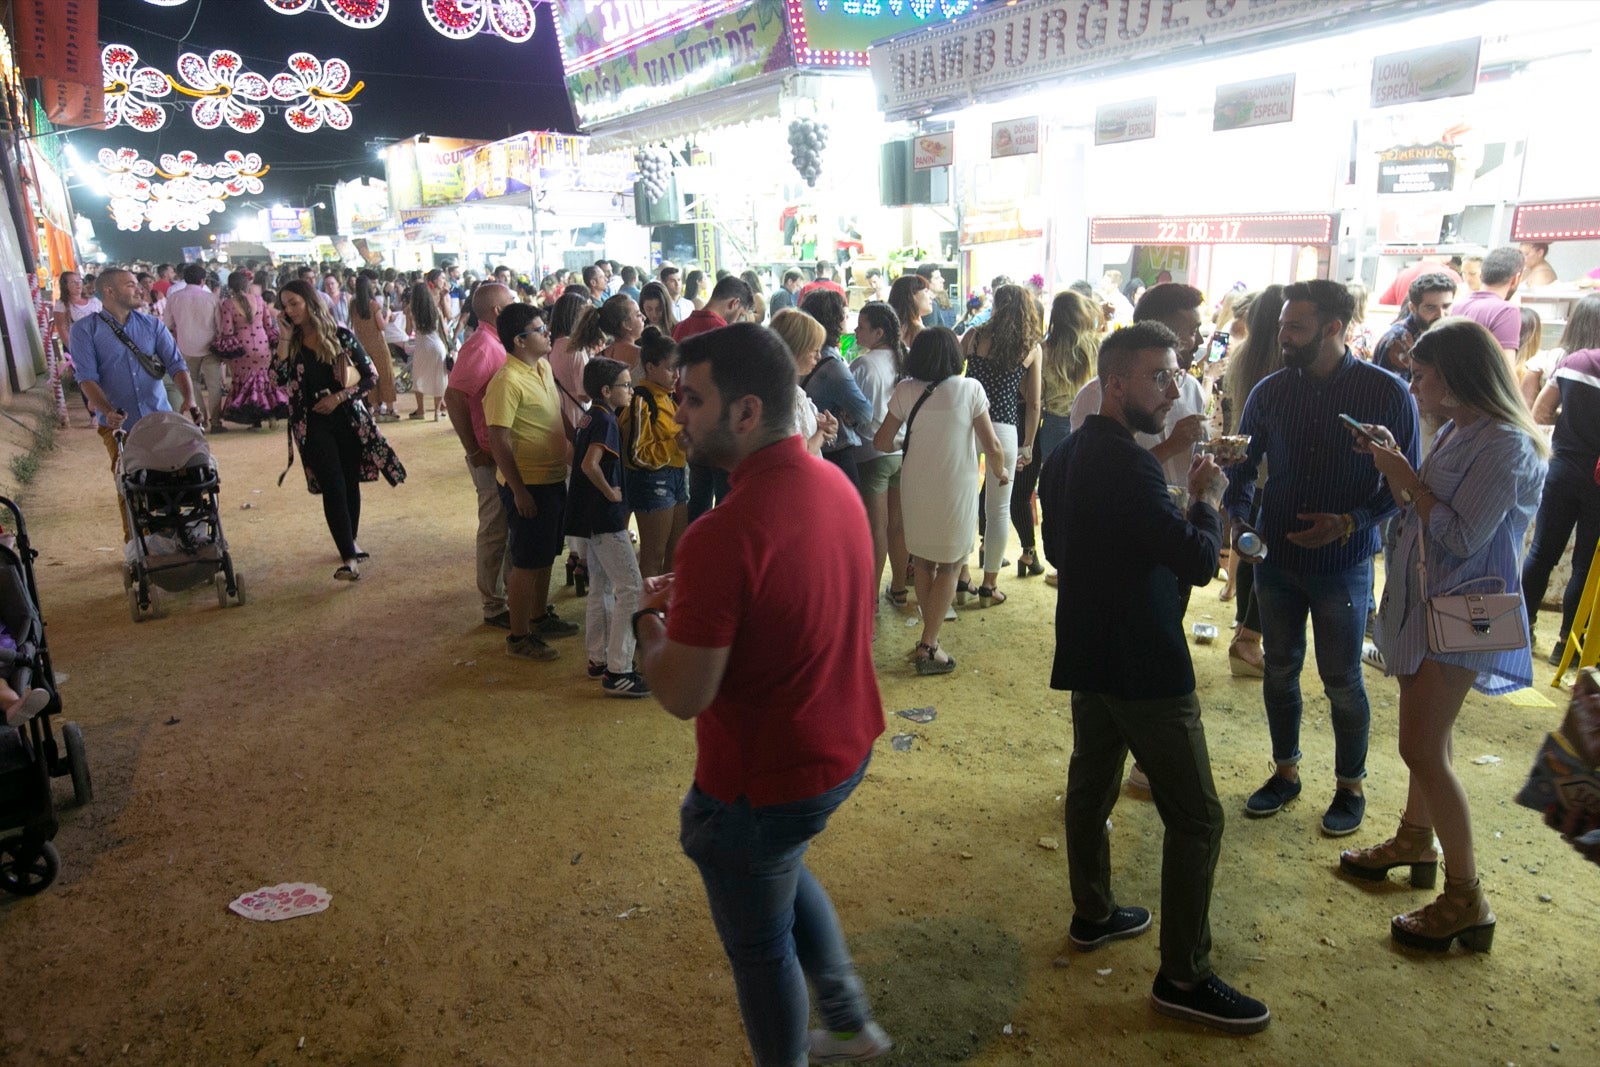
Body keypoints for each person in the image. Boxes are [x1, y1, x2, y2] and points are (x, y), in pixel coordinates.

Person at [633, 322, 891, 1067]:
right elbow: (787, 589)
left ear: (745, 412)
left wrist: (650, 622)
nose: (677, 410)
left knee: (760, 944)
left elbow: (683, 691)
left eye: (692, 397)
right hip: (839, 746)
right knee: (782, 867)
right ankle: (846, 1016)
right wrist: (702, 600)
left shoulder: (722, 532)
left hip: (762, 778)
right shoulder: (830, 480)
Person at [1038, 320, 1270, 1036]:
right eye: (1159, 377)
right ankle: (1183, 974)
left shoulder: (1069, 452)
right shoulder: (1132, 466)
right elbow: (1198, 560)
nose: (1174, 389)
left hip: (1089, 647)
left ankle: (1095, 912)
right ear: (1115, 384)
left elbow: (1058, 546)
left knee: (1092, 780)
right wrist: (1203, 496)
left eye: (1175, 374)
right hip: (1142, 659)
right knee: (1197, 815)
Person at [1341, 318, 1546, 952]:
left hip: (1465, 612)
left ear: (1454, 379)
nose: (1414, 384)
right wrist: (1396, 468)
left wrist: (1403, 468)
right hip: (1429, 604)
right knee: (1434, 738)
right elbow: (1423, 511)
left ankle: (1466, 898)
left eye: (1422, 375)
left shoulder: (1506, 444)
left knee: (1422, 747)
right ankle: (1413, 840)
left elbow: (1459, 535)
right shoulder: (1463, 429)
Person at [1225, 280, 1420, 836]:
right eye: (1283, 325)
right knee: (1280, 669)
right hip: (1276, 556)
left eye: (1295, 328)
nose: (1282, 336)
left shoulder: (1387, 393)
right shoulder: (1270, 391)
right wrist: (1237, 517)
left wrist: (1351, 522)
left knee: (1341, 679)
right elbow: (1242, 463)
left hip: (1345, 563)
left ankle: (1349, 786)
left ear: (1334, 328)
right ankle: (1285, 773)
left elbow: (1406, 485)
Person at [875, 328, 1008, 674]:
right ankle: (928, 645)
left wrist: (915, 443)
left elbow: (881, 441)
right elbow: (991, 445)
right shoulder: (969, 389)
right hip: (954, 486)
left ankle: (927, 638)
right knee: (951, 563)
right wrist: (1001, 471)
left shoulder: (905, 390)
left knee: (923, 561)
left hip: (915, 485)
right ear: (954, 356)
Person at [273, 279, 405, 581]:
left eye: (295, 303)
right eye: (285, 305)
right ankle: (348, 557)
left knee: (348, 481)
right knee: (332, 484)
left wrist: (339, 397)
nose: (290, 310)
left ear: (310, 302)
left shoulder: (340, 336)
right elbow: (277, 379)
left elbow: (370, 376)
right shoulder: (289, 344)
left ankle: (351, 542)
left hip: (348, 419)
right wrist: (282, 338)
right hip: (312, 424)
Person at [71, 269, 203, 539]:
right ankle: (136, 546)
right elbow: (86, 378)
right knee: (127, 484)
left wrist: (188, 399)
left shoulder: (151, 325)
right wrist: (107, 410)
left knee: (169, 477)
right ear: (109, 291)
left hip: (159, 420)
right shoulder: (84, 330)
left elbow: (176, 365)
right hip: (119, 426)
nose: (140, 289)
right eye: (130, 285)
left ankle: (173, 535)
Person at [484, 303, 580, 661]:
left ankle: (539, 615)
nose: (547, 333)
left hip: (552, 476)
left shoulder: (540, 367)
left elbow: (556, 416)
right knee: (526, 560)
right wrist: (519, 489)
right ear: (519, 340)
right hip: (528, 483)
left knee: (545, 553)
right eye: (540, 329)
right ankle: (519, 635)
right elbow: (498, 439)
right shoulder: (506, 380)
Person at [1070, 284, 1210, 490]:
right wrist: (1170, 446)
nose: (1199, 340)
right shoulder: (1097, 394)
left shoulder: (1191, 389)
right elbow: (1092, 476)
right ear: (1160, 332)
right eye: (1192, 331)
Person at [1524, 293, 1600, 666]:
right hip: (1599, 481)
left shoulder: (1575, 362)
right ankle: (1567, 648)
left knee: (1541, 552)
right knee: (1586, 566)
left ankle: (1522, 628)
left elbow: (1540, 410)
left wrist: (1568, 425)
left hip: (1563, 467)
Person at [566, 357, 649, 697]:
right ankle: (620, 670)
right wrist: (611, 493)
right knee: (631, 588)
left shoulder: (590, 416)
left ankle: (598, 657)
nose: (630, 391)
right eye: (625, 385)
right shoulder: (606, 421)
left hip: (588, 517)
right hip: (604, 517)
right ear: (606, 390)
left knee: (600, 585)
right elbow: (590, 464)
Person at [957, 284, 1042, 608]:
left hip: (967, 424)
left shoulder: (975, 336)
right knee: (998, 510)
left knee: (964, 502)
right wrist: (1028, 445)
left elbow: (953, 376)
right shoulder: (1029, 346)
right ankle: (989, 585)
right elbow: (1033, 404)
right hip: (1004, 428)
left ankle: (962, 576)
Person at [1218, 285, 1287, 677]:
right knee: (1268, 557)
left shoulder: (1242, 357)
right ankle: (1250, 638)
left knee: (1249, 549)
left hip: (1245, 465)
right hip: (1273, 470)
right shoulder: (1285, 366)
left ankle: (1246, 633)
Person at [444, 283, 517, 629]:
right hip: (489, 452)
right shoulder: (483, 345)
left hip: (501, 449)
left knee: (506, 524)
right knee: (494, 527)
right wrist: (473, 448)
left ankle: (507, 596)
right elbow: (454, 396)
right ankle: (494, 604)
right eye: (512, 303)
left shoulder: (494, 342)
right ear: (498, 312)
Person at [1017, 290, 1099, 584]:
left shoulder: (1045, 348)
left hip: (1053, 425)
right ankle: (1088, 559)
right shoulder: (1096, 346)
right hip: (1092, 423)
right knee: (1087, 491)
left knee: (1057, 493)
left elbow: (1031, 395)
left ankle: (1063, 564)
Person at [849, 302, 910, 609]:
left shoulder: (863, 365)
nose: (856, 331)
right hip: (901, 451)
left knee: (876, 528)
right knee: (897, 526)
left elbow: (855, 412)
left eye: (861, 326)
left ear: (878, 332)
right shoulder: (904, 361)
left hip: (871, 453)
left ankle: (870, 597)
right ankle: (898, 588)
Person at [622, 327, 689, 580]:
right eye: (671, 368)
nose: (677, 375)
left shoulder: (668, 398)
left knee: (675, 553)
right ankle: (644, 615)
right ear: (650, 367)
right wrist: (676, 444)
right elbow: (637, 454)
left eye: (679, 368)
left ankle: (663, 612)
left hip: (675, 476)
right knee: (653, 557)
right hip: (652, 480)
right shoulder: (642, 399)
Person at [798, 289, 873, 490]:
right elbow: (865, 412)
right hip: (833, 452)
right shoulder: (832, 365)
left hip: (809, 448)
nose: (847, 319)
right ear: (834, 319)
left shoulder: (799, 356)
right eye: (844, 314)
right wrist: (847, 414)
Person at [217, 270, 289, 429]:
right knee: (265, 379)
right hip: (262, 343)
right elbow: (269, 325)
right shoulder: (260, 300)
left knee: (246, 381)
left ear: (230, 287)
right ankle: (271, 415)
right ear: (247, 284)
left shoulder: (228, 304)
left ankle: (255, 420)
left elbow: (227, 331)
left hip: (243, 347)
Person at [769, 309, 838, 457]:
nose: (819, 357)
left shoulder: (768, 387)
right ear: (797, 349)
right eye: (815, 350)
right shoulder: (791, 394)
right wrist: (822, 432)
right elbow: (802, 454)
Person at [162, 264, 223, 430]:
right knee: (214, 385)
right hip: (211, 348)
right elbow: (220, 326)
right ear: (203, 280)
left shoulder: (174, 298)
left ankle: (200, 420)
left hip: (185, 347)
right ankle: (216, 422)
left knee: (192, 384)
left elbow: (166, 324)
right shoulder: (211, 298)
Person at [1372, 272, 1457, 381]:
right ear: (1412, 308)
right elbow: (1394, 392)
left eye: (1446, 306)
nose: (1441, 314)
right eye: (1431, 307)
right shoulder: (1399, 340)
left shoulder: (1443, 334)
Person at [1453, 246, 1525, 367]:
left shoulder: (1457, 307)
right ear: (1516, 279)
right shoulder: (1506, 311)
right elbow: (1506, 371)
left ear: (1481, 275)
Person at [348, 273, 400, 423]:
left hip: (362, 347)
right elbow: (381, 326)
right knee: (386, 374)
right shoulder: (373, 305)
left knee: (371, 376)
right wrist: (388, 315)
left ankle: (376, 408)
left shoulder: (353, 305)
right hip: (378, 344)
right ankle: (390, 408)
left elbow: (354, 325)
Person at [405, 281, 450, 420]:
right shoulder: (436, 310)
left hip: (422, 347)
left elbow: (408, 331)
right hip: (437, 347)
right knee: (439, 378)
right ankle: (437, 413)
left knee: (418, 377)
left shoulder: (411, 312)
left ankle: (420, 411)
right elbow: (445, 332)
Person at [672, 276, 753, 341]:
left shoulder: (678, 328)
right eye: (740, 315)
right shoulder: (725, 333)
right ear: (735, 303)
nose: (736, 321)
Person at [888, 274, 932, 351]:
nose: (931, 296)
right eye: (926, 291)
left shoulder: (891, 326)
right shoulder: (916, 330)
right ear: (911, 296)